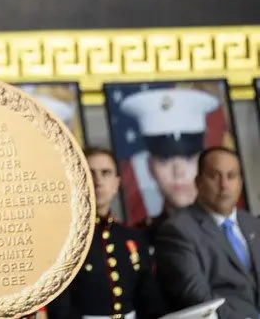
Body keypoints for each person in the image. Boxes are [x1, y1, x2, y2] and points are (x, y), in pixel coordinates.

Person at [46, 147, 166, 319]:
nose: (98, 181)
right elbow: (60, 309)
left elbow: (150, 302)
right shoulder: (64, 241)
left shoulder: (133, 238)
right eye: (89, 172)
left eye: (106, 173)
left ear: (116, 184)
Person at [155, 147, 260, 319]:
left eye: (231, 176)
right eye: (214, 176)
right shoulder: (177, 230)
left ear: (240, 183)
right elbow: (196, 297)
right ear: (198, 182)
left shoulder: (254, 224)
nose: (224, 185)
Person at [119, 87, 219, 243]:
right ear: (150, 168)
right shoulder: (139, 240)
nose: (178, 172)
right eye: (165, 160)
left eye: (188, 158)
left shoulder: (233, 233)